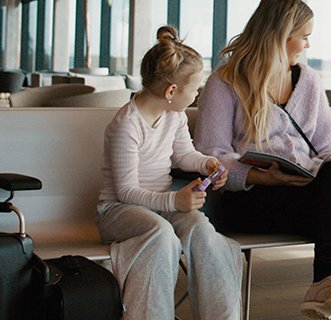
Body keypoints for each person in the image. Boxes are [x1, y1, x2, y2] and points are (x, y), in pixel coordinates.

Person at [195, 0, 331, 320]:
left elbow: (328, 146)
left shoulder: (309, 81)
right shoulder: (224, 82)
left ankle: (327, 280)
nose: (307, 45)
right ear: (279, 36)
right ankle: (327, 281)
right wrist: (261, 176)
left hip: (301, 192)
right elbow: (210, 156)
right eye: (304, 36)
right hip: (248, 199)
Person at [96, 33, 243, 320]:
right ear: (171, 91)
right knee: (161, 234)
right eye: (195, 88)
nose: (197, 94)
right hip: (117, 211)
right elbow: (125, 192)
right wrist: (175, 201)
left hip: (161, 208)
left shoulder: (174, 116)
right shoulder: (127, 125)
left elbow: (184, 155)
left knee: (201, 228)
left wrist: (207, 164)